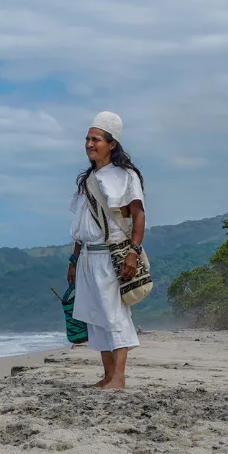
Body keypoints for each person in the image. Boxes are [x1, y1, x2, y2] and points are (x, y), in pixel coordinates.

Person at [67, 110, 146, 390]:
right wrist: (74, 259)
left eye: (96, 139)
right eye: (87, 139)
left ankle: (120, 378)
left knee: (114, 314)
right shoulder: (86, 180)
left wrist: (133, 252)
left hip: (112, 255)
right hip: (88, 255)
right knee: (95, 315)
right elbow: (80, 223)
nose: (89, 144)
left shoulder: (126, 176)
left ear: (111, 144)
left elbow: (137, 215)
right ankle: (107, 374)